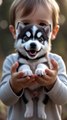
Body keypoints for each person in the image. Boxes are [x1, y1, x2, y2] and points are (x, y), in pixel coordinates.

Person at [0, 0, 67, 120]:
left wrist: (52, 83)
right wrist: (14, 85)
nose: (33, 28)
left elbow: (63, 99)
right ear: (15, 31)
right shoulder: (11, 62)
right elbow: (5, 99)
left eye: (42, 24)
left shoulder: (55, 62)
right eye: (25, 23)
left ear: (53, 31)